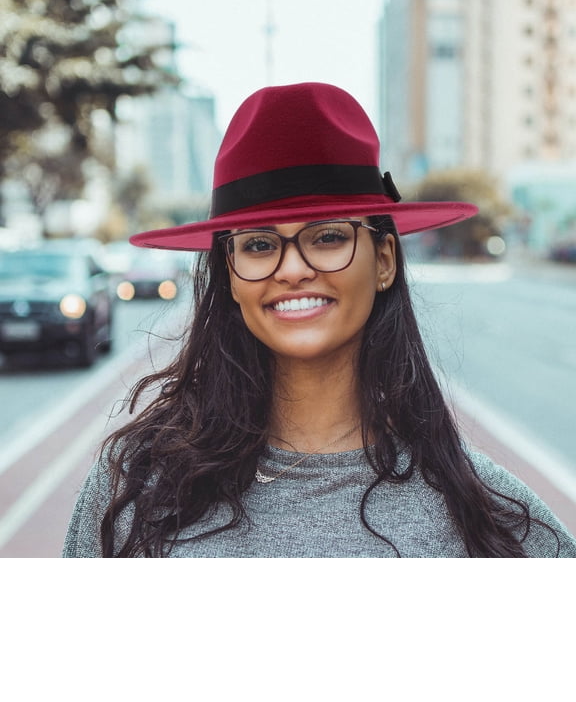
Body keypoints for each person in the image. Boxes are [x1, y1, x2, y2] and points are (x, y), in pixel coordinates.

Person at [63, 82, 576, 558]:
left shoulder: (492, 519)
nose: (292, 269)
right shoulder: (132, 488)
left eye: (328, 236)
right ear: (230, 273)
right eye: (260, 244)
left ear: (384, 261)